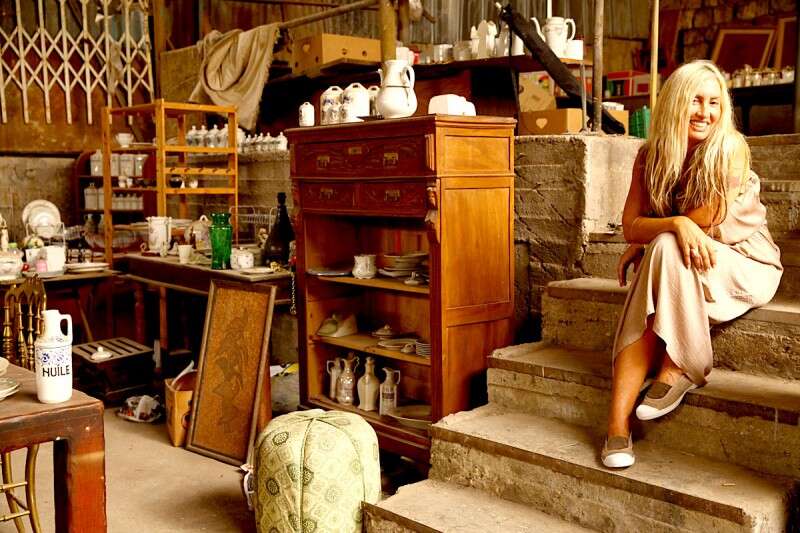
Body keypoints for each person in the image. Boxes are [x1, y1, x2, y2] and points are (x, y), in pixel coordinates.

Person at [601, 60, 783, 469]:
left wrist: (658, 233)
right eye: (695, 101)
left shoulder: (730, 148)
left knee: (664, 247)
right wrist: (669, 228)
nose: (705, 112)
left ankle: (678, 367)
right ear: (674, 104)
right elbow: (630, 225)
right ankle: (617, 424)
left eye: (714, 102)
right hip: (683, 259)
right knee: (665, 248)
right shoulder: (650, 156)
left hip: (743, 262)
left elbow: (709, 216)